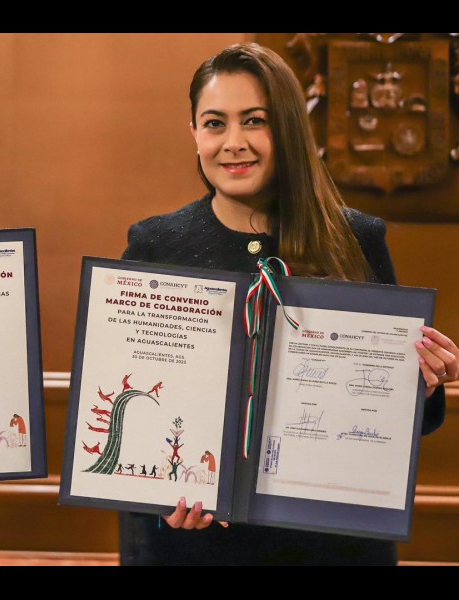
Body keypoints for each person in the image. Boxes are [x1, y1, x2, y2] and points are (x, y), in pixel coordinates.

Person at [118, 42, 458, 566]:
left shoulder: (356, 239)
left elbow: (404, 421)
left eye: (255, 121)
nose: (233, 142)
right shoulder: (155, 245)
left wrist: (425, 382)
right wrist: (157, 501)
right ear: (194, 133)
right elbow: (132, 412)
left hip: (336, 548)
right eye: (215, 123)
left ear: (289, 130)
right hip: (200, 549)